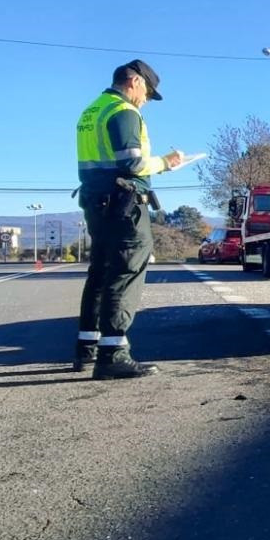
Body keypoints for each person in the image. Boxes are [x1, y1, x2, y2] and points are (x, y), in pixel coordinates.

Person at [74, 60, 182, 379]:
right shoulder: (124, 111)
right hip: (123, 204)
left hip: (96, 201)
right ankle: (113, 354)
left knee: (101, 272)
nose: (146, 98)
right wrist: (166, 162)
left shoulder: (92, 110)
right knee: (126, 270)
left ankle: (86, 350)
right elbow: (133, 162)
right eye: (147, 91)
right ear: (133, 81)